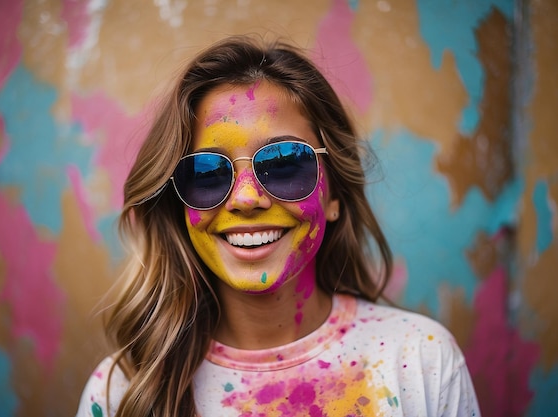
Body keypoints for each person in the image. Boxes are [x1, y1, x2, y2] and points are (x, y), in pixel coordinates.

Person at [76, 35, 480, 417]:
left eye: (285, 164)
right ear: (180, 207)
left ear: (334, 193)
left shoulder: (421, 360)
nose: (247, 199)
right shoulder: (123, 392)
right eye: (207, 173)